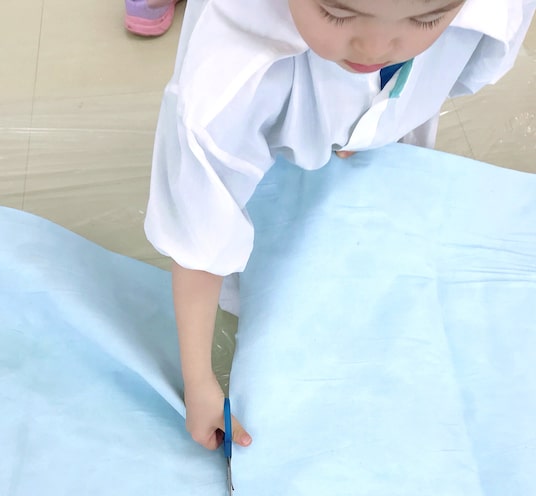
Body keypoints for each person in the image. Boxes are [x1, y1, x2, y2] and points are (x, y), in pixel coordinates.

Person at [143, 0, 535, 450]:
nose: (376, 47)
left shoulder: (491, 11)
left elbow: (450, 71)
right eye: (337, 13)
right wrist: (199, 382)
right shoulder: (227, 80)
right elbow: (201, 228)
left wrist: (368, 123)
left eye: (427, 18)